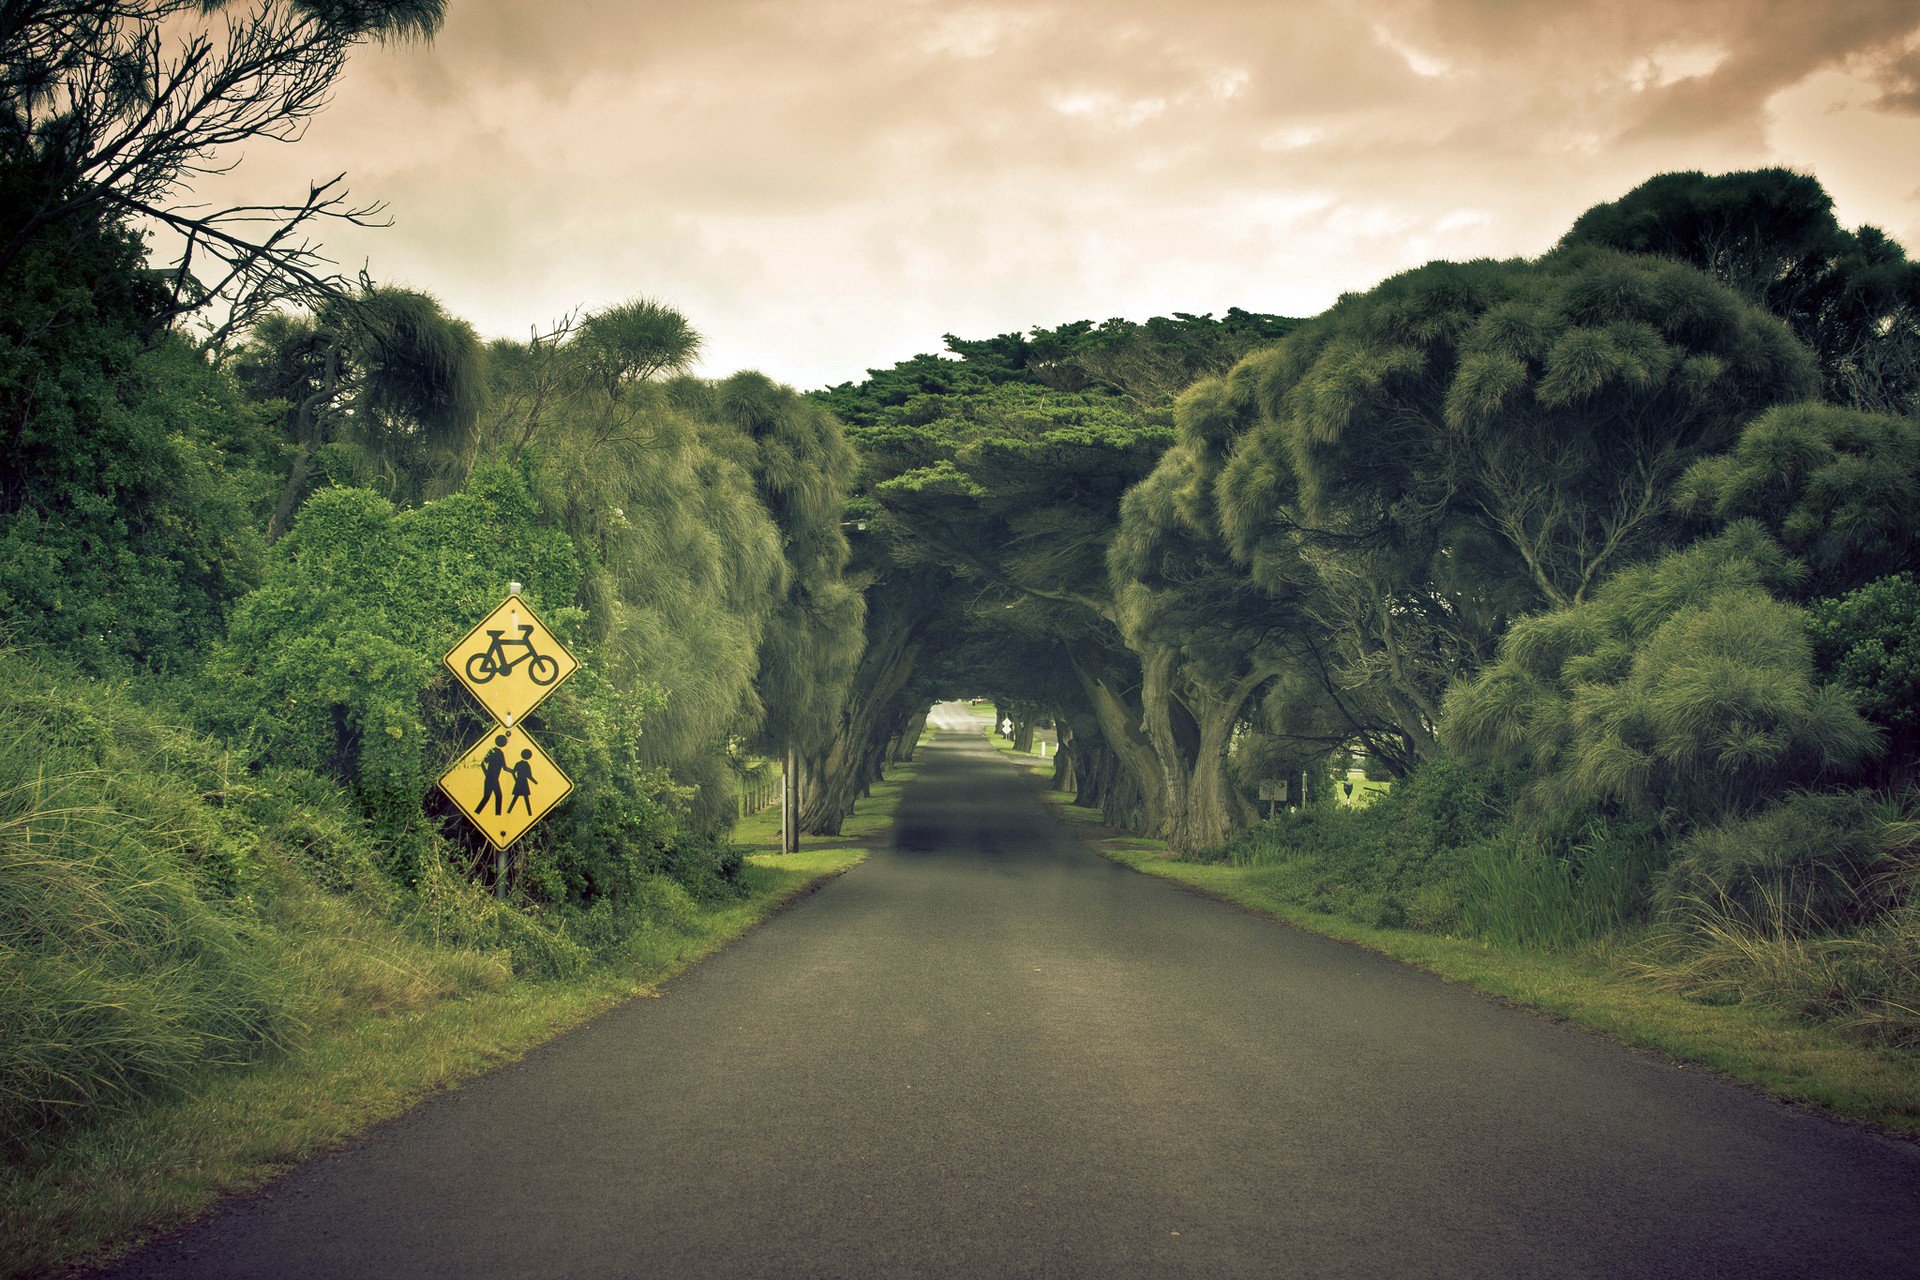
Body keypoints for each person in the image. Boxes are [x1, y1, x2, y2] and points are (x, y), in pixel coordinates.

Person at [475, 734, 508, 815]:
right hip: (491, 779)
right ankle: (478, 812)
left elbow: (504, 767)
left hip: (494, 779)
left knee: (497, 796)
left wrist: (514, 771)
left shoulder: (500, 753)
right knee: (489, 797)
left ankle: (497, 815)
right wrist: (487, 775)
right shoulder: (494, 752)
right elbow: (482, 764)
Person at [507, 748, 537, 814]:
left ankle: (509, 811)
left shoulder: (518, 763)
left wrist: (516, 779)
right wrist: (535, 782)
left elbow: (513, 772)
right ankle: (529, 813)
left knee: (519, 797)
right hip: (524, 783)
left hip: (519, 782)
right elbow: (529, 776)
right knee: (524, 798)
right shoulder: (527, 765)